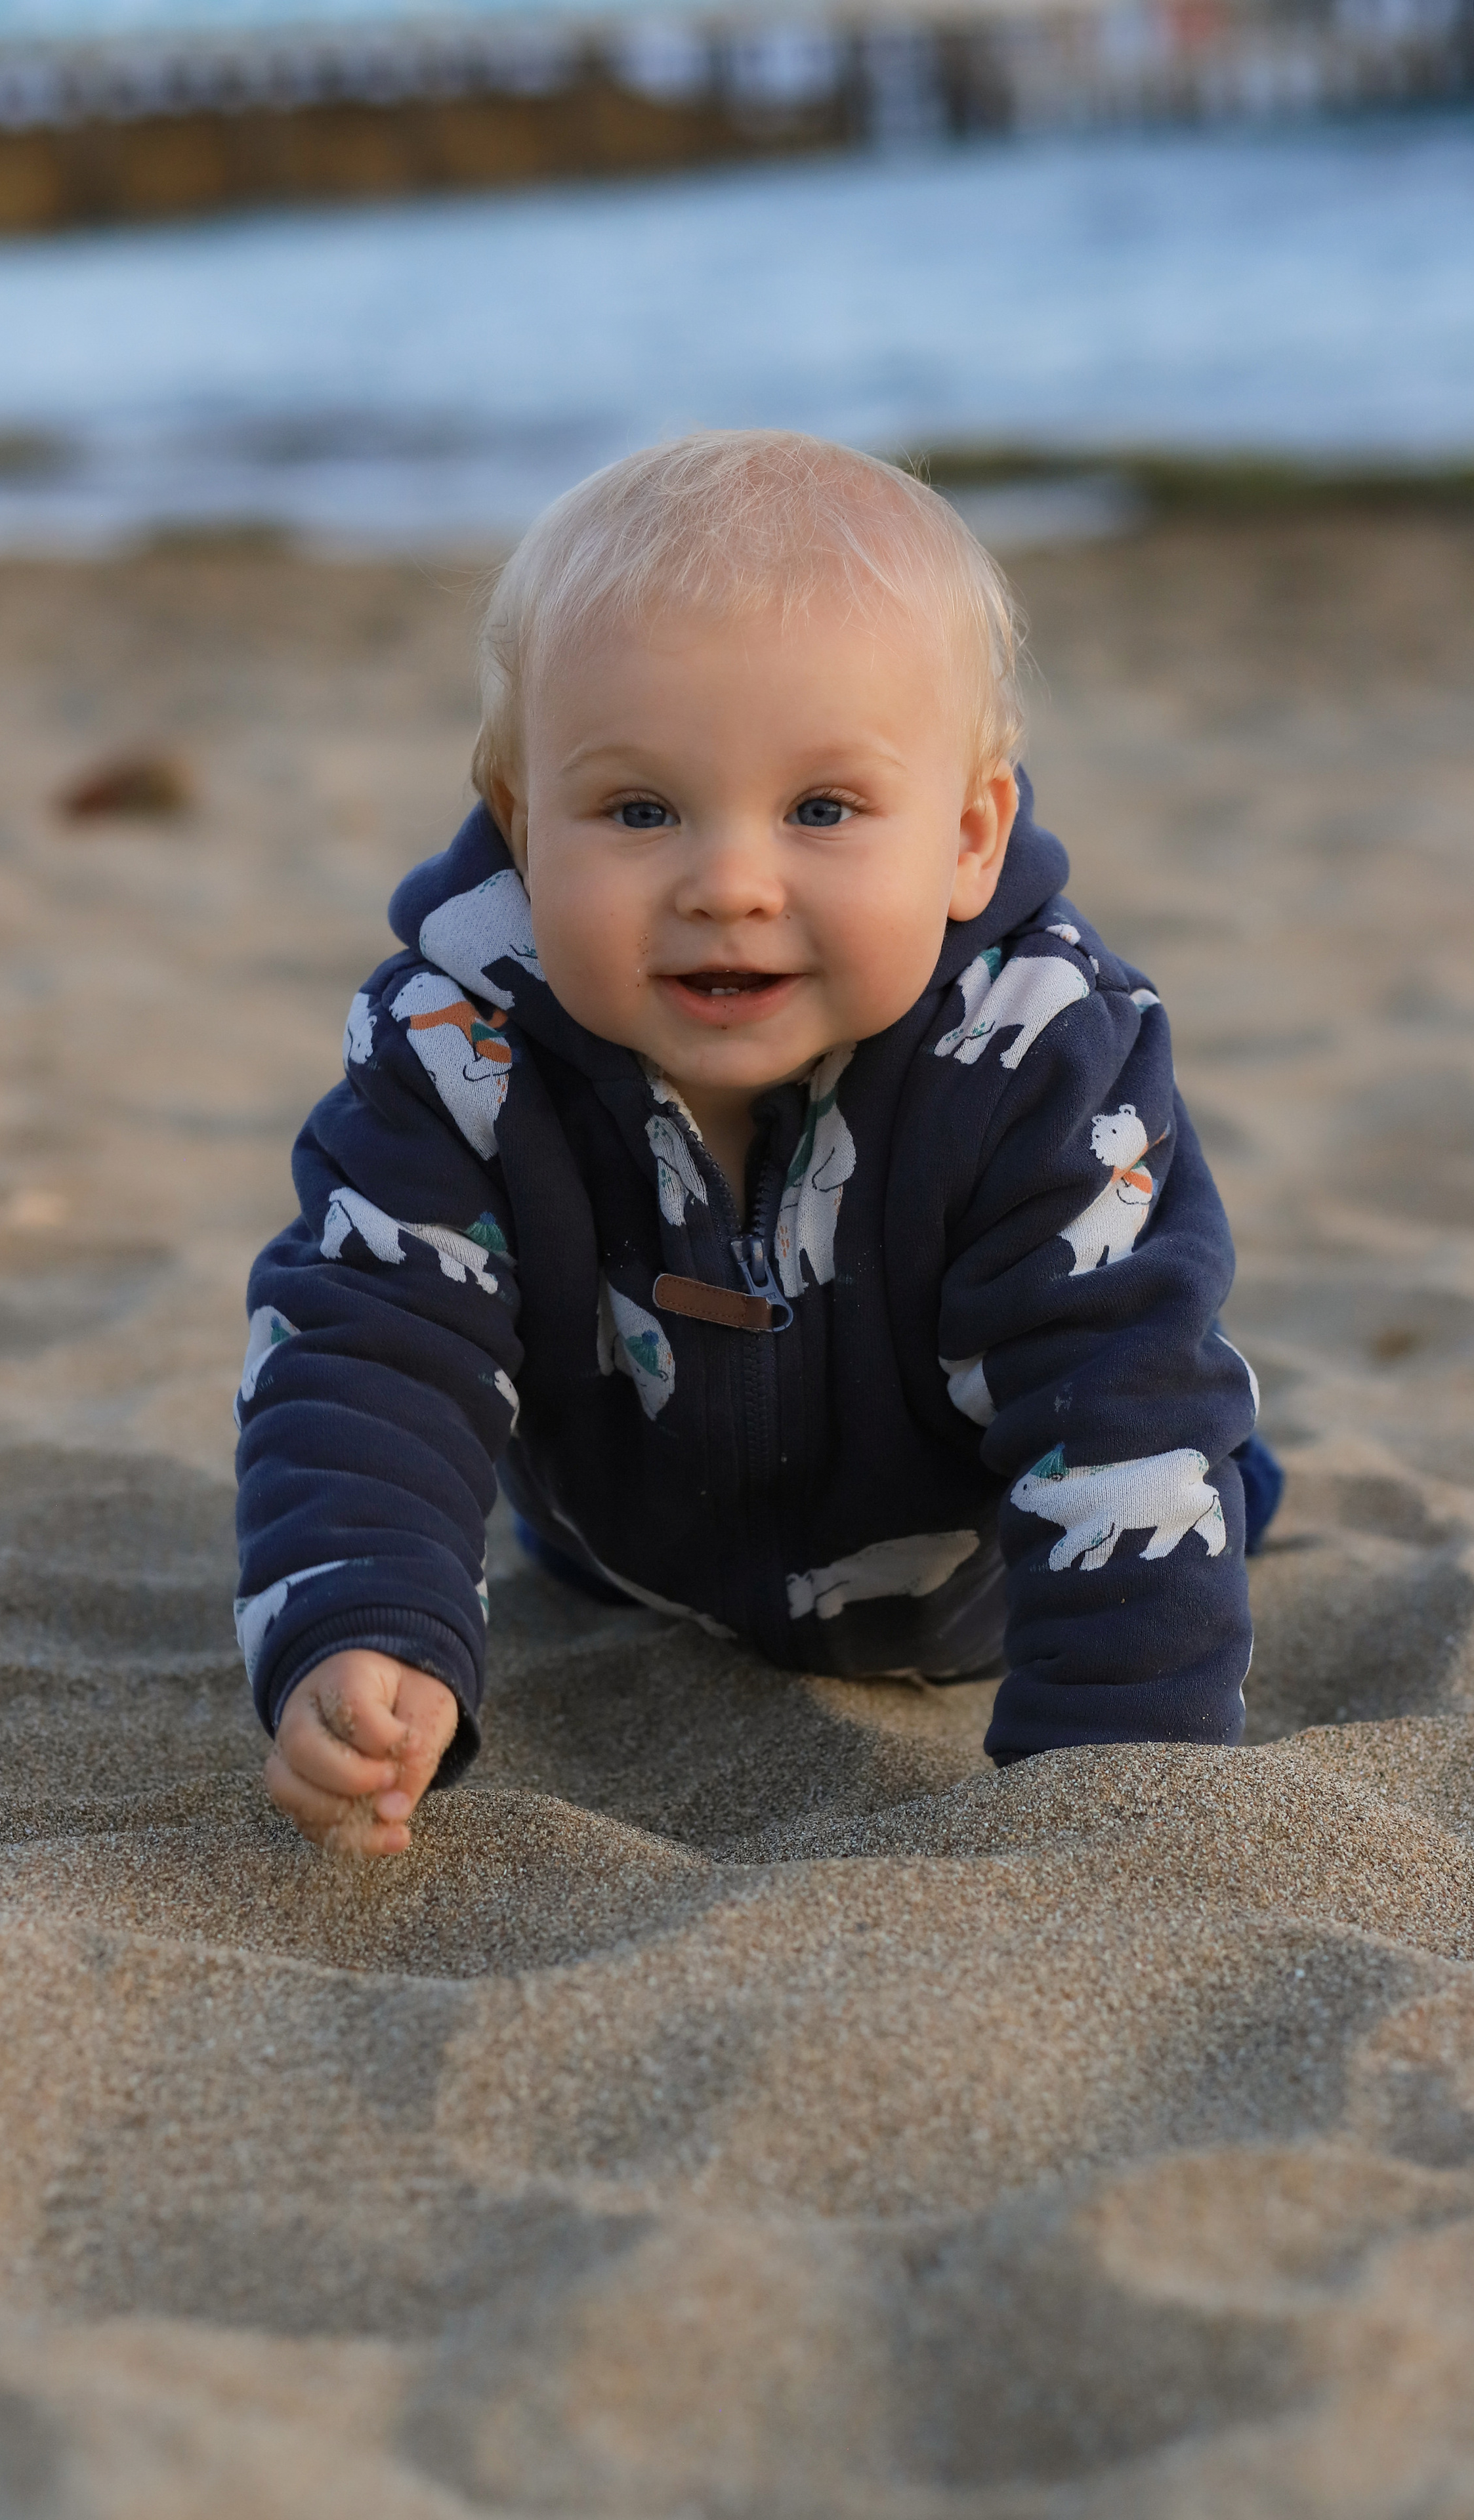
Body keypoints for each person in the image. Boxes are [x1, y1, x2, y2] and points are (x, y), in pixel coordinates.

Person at [235, 429, 1280, 1858]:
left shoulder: (1040, 1054)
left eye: (822, 810)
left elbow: (1119, 1403)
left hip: (963, 1591)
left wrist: (1114, 1782)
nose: (728, 883)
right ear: (522, 825)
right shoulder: (453, 1050)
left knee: (1182, 1439)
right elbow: (370, 1352)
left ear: (969, 837)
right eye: (640, 810)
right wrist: (360, 1630)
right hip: (626, 1558)